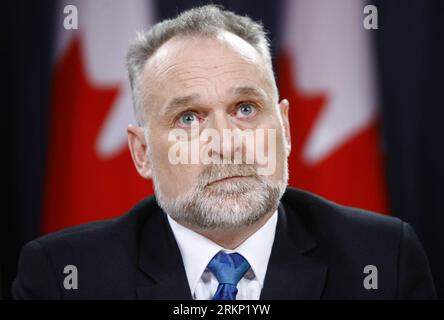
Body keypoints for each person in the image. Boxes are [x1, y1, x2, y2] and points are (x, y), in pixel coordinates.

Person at [13, 5, 436, 300]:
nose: (227, 142)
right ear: (142, 152)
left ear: (284, 128)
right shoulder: (65, 276)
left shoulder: (383, 259)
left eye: (246, 109)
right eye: (189, 118)